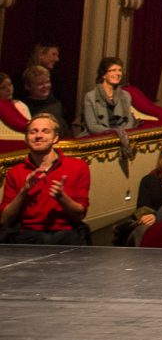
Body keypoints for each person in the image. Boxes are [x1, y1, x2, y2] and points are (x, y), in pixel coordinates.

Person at [0, 113, 91, 244]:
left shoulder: (78, 166)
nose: (38, 136)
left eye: (45, 131)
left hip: (65, 236)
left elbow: (79, 215)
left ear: (55, 138)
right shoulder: (15, 172)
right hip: (26, 237)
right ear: (26, 139)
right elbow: (5, 220)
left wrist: (61, 197)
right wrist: (24, 191)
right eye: (33, 132)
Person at [77, 56, 137, 136]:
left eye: (120, 70)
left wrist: (123, 134)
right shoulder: (90, 97)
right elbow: (92, 126)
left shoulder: (126, 96)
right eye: (113, 70)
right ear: (104, 75)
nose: (118, 73)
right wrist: (115, 133)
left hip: (123, 135)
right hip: (99, 137)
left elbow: (129, 121)